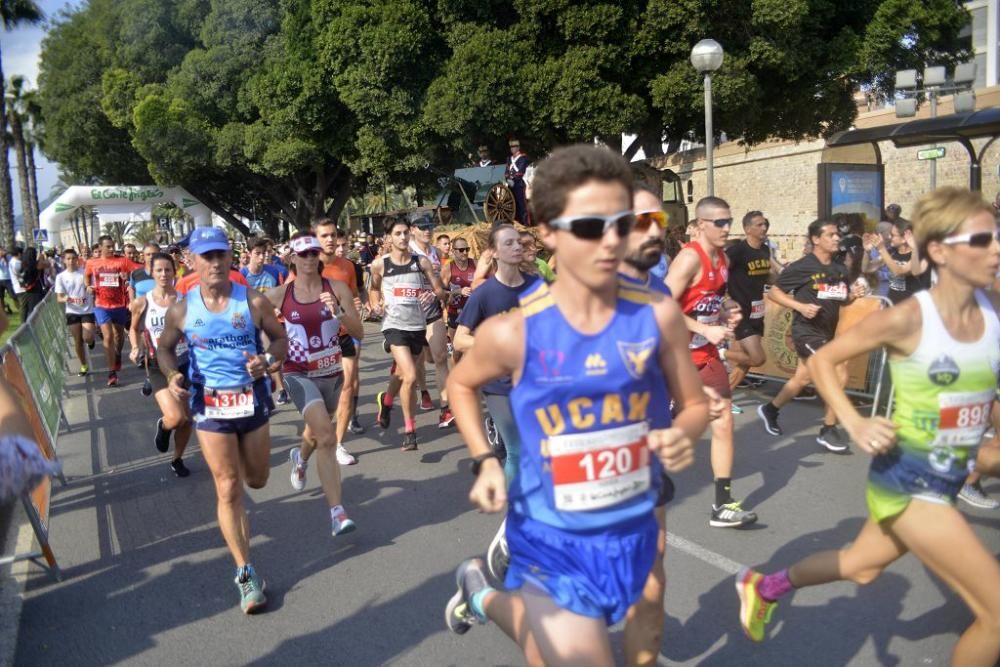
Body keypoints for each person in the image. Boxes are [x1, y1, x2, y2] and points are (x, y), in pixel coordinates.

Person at [443, 144, 711, 666]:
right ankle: (488, 594)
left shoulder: (658, 315)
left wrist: (685, 433)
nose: (610, 240)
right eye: (590, 226)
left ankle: (478, 591)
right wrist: (486, 460)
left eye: (621, 223)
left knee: (579, 637)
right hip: (550, 532)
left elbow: (694, 405)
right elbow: (459, 384)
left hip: (630, 516)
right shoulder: (513, 332)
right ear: (547, 231)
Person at [737, 187, 1000, 667]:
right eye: (981, 240)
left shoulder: (993, 308)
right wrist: (854, 421)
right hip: (908, 482)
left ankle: (765, 585)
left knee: (860, 568)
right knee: (997, 616)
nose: (996, 249)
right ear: (939, 250)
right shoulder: (908, 319)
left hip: (946, 477)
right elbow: (827, 363)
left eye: (997, 236)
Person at [156, 226, 287, 613]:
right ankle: (245, 574)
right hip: (209, 407)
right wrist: (171, 375)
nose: (214, 263)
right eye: (206, 256)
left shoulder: (253, 301)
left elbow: (279, 339)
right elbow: (164, 348)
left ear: (231, 258)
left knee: (256, 480)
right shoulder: (182, 309)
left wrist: (268, 360)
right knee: (228, 487)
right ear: (192, 262)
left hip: (253, 402)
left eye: (220, 255)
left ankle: (243, 511)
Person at [667, 196, 757, 528]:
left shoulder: (722, 259)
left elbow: (711, 299)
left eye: (729, 221)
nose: (726, 228)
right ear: (701, 224)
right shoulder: (689, 259)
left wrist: (725, 310)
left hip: (703, 355)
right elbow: (662, 306)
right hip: (673, 355)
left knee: (722, 422)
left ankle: (723, 504)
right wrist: (704, 326)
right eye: (720, 222)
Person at [267, 232, 363, 535]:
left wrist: (338, 311)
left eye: (313, 253)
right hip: (298, 373)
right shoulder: (281, 294)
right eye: (302, 254)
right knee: (327, 435)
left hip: (331, 372)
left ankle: (300, 459)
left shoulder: (334, 288)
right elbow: (244, 312)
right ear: (292, 258)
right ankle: (338, 513)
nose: (309, 259)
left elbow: (359, 328)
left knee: (315, 432)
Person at [452, 223, 531, 580]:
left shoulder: (538, 287)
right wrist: (497, 347)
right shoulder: (484, 294)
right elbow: (459, 340)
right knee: (516, 451)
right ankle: (512, 523)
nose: (518, 247)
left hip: (535, 383)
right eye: (509, 243)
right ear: (494, 252)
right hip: (499, 386)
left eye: (520, 241)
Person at [757, 219, 867, 451]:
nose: (837, 238)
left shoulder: (839, 269)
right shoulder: (803, 266)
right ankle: (828, 429)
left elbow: (842, 299)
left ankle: (771, 409)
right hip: (806, 331)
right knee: (839, 371)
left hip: (827, 331)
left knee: (803, 378)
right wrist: (799, 307)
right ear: (816, 239)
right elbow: (776, 292)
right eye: (830, 235)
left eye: (837, 234)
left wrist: (853, 294)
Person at [368, 217, 448, 451]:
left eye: (405, 233)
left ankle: (387, 399)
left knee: (403, 374)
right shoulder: (380, 265)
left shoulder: (421, 262)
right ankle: (410, 431)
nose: (402, 238)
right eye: (397, 234)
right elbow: (372, 290)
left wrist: (432, 295)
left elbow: (439, 291)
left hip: (417, 326)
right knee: (411, 375)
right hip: (393, 326)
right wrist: (375, 305)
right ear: (389, 237)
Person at [128, 252, 192, 477]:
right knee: (176, 417)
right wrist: (135, 347)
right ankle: (164, 427)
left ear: (175, 271)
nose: (164, 274)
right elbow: (134, 329)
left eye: (168, 269)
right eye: (159, 270)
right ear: (151, 272)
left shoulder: (186, 299)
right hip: (157, 365)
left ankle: (177, 458)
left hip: (185, 363)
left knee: (187, 420)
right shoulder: (142, 302)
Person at [316, 221, 366, 442]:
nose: (330, 240)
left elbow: (355, 295)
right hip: (316, 339)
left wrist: (359, 305)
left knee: (347, 383)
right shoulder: (307, 266)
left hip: (345, 332)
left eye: (333, 235)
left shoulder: (347, 266)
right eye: (324, 235)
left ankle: (338, 442)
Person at [725, 211, 775, 390]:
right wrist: (725, 299)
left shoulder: (764, 250)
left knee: (744, 363)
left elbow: (767, 278)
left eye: (765, 224)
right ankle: (719, 353)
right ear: (747, 229)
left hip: (757, 311)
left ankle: (725, 398)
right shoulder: (737, 251)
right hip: (740, 312)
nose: (764, 228)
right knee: (757, 358)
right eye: (759, 225)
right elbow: (720, 273)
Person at [85, 236, 133, 386]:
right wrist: (88, 286)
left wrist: (126, 278)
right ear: (100, 247)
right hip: (101, 305)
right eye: (108, 247)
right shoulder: (92, 262)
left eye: (113, 246)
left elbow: (129, 277)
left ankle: (117, 354)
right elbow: (86, 277)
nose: (112, 249)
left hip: (119, 304)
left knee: (119, 335)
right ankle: (111, 373)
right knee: (108, 336)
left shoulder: (122, 261)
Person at [54, 248, 96, 376]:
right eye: (68, 259)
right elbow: (59, 298)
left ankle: (91, 341)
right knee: (78, 340)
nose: (71, 261)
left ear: (77, 259)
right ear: (64, 261)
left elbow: (93, 287)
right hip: (72, 311)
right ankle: (83, 365)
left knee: (87, 337)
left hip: (87, 310)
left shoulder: (85, 273)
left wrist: (90, 289)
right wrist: (71, 299)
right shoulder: (60, 277)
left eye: (73, 258)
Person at [443, 236, 476, 361]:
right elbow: (442, 294)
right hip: (455, 313)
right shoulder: (448, 268)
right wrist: (457, 291)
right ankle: (454, 378)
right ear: (453, 251)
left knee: (473, 350)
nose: (465, 252)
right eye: (461, 250)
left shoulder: (476, 264)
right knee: (457, 352)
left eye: (467, 249)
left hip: (474, 312)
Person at [505, 138, 530, 225]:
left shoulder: (523, 158)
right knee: (513, 205)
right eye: (511, 147)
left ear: (518, 147)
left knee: (522, 205)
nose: (512, 148)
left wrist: (514, 179)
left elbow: (521, 171)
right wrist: (508, 179)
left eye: (514, 146)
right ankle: (517, 223)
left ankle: (526, 223)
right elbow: (507, 171)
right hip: (510, 185)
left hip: (519, 184)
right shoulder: (509, 159)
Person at [0, 245, 14, 314]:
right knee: (1, 297)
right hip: (0, 279)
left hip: (8, 279)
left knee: (13, 295)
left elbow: (11, 265)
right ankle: (3, 311)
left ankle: (20, 307)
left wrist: (5, 257)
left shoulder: (8, 257)